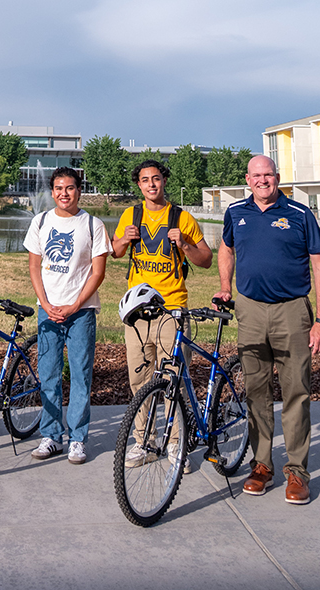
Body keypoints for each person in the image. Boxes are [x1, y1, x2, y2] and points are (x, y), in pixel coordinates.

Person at [214, 154, 320, 505]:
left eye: (269, 174)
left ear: (277, 178)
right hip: (249, 310)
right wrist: (225, 285)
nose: (263, 180)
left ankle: (297, 472)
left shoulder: (300, 214)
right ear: (247, 180)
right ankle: (261, 465)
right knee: (257, 392)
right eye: (257, 175)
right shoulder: (236, 213)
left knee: (296, 392)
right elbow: (226, 248)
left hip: (292, 311)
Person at [112, 159, 212, 471]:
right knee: (140, 380)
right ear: (138, 185)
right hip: (139, 312)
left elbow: (206, 258)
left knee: (174, 380)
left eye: (156, 179)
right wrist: (124, 240)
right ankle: (143, 442)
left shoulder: (182, 217)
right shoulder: (131, 214)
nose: (151, 185)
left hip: (172, 308)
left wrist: (183, 243)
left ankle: (175, 443)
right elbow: (114, 251)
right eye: (145, 180)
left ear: (164, 181)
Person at [24, 167, 111, 465]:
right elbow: (35, 267)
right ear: (52, 192)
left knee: (80, 376)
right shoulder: (41, 221)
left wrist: (75, 305)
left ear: (79, 190)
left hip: (81, 313)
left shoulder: (93, 225)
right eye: (59, 188)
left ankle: (77, 439)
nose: (64, 193)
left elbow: (98, 272)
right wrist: (45, 304)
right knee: (48, 374)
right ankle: (51, 436)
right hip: (48, 311)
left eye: (70, 187)